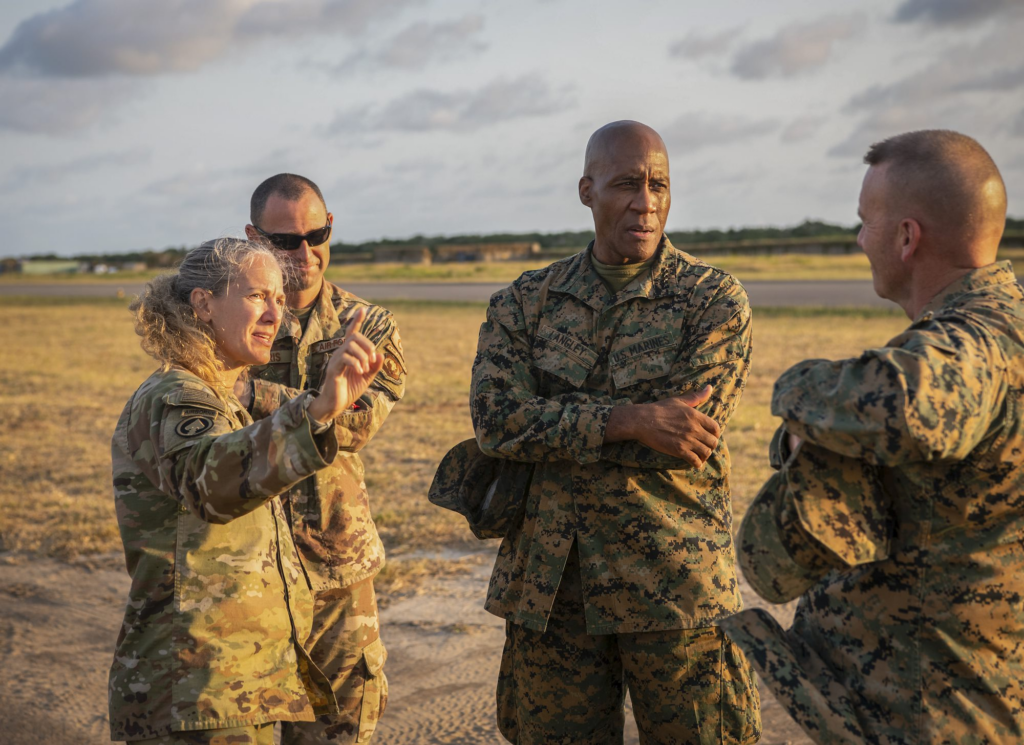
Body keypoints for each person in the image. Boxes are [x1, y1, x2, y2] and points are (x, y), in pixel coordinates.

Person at [720, 130, 1024, 743]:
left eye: (865, 222)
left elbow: (907, 403)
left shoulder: (976, 344)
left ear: (907, 238)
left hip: (933, 709)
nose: (859, 239)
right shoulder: (998, 325)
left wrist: (798, 393)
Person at [467, 121, 761, 743]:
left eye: (659, 184)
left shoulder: (712, 300)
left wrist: (556, 424)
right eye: (627, 183)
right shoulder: (525, 301)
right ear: (586, 190)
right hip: (552, 586)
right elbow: (495, 423)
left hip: (675, 585)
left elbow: (687, 439)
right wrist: (630, 420)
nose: (646, 201)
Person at [109, 238, 385, 744]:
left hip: (231, 690)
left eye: (280, 300)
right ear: (204, 304)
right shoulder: (177, 395)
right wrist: (317, 412)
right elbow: (209, 482)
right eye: (258, 296)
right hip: (196, 696)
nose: (274, 315)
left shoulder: (220, 397)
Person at [242, 174, 406, 744]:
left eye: (318, 233)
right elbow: (205, 414)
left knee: (339, 730)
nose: (305, 253)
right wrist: (319, 403)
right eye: (285, 241)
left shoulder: (367, 325)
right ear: (253, 238)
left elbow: (356, 423)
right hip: (245, 571)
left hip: (336, 574)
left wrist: (251, 395)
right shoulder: (225, 323)